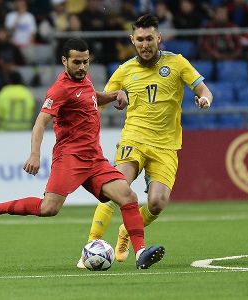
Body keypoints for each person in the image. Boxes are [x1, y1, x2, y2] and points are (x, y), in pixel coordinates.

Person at [0, 38, 165, 270]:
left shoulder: (85, 79)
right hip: (69, 158)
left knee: (128, 197)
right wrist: (34, 154)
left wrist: (113, 95)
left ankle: (141, 252)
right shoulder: (59, 89)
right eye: (76, 62)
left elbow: (90, 97)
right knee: (49, 208)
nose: (82, 67)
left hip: (94, 158)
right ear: (64, 61)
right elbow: (40, 122)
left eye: (86, 62)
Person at [77, 14, 213, 268]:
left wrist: (204, 100)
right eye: (139, 39)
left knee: (158, 203)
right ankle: (90, 246)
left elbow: (204, 90)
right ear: (132, 40)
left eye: (150, 38)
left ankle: (125, 231)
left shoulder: (177, 63)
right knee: (116, 187)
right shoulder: (125, 70)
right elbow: (101, 101)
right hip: (134, 138)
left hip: (166, 146)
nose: (145, 44)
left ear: (159, 38)